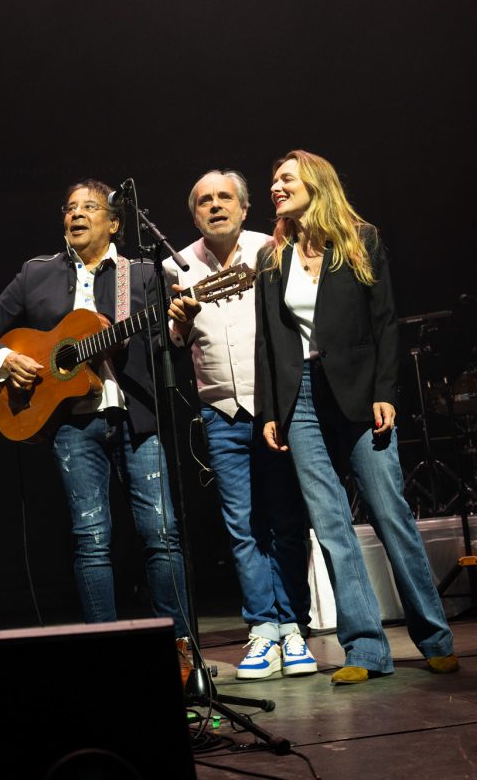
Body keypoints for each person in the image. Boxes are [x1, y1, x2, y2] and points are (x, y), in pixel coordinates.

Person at [254, 149, 459, 683]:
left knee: (389, 512)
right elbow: (269, 341)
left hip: (360, 392)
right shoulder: (272, 258)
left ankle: (434, 637)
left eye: (286, 178)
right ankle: (365, 648)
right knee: (330, 525)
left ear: (316, 184)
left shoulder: (359, 240)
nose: (276, 187)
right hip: (299, 395)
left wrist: (385, 390)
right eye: (274, 180)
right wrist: (270, 409)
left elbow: (385, 321)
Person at [0, 180, 190, 638]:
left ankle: (180, 648)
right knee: (92, 539)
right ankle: (102, 650)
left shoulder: (141, 274)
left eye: (89, 207)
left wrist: (178, 329)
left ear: (115, 223)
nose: (77, 214)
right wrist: (4, 360)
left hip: (136, 418)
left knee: (162, 535)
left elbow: (161, 344)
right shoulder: (36, 274)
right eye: (69, 208)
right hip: (71, 426)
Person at [165, 170, 317, 679]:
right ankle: (263, 629)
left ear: (245, 207)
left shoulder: (269, 249)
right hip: (219, 412)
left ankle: (293, 626)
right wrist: (180, 321)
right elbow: (175, 340)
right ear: (194, 215)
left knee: (285, 521)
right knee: (242, 527)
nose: (215, 206)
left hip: (274, 408)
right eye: (204, 200)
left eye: (224, 197)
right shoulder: (176, 265)